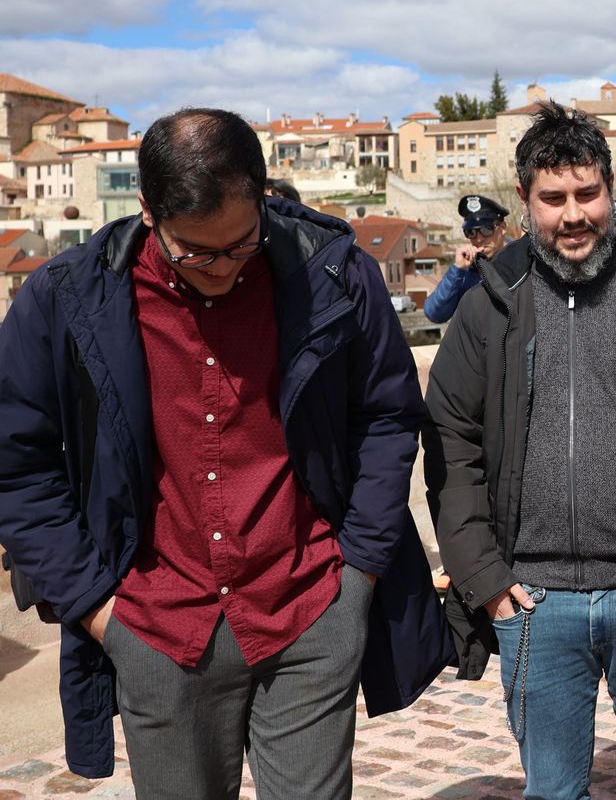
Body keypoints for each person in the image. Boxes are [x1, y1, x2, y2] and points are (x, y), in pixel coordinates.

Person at [0, 108, 451, 795]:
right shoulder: (64, 299)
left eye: (242, 245)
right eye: (196, 253)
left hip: (309, 611)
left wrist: (355, 574)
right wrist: (96, 608)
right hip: (155, 627)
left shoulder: (333, 275)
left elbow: (389, 418)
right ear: (149, 212)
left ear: (266, 200)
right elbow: (15, 463)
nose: (221, 269)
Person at [424, 101, 616, 800]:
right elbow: (450, 440)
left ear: (611, 190)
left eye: (586, 194)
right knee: (553, 791)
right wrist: (485, 578)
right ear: (525, 202)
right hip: (533, 599)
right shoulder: (489, 303)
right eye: (552, 198)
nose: (572, 215)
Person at [423, 194, 510, 323]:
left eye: (486, 229)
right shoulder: (465, 271)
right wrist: (457, 270)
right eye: (471, 232)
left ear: (502, 228)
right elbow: (434, 313)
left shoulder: (523, 259)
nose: (479, 239)